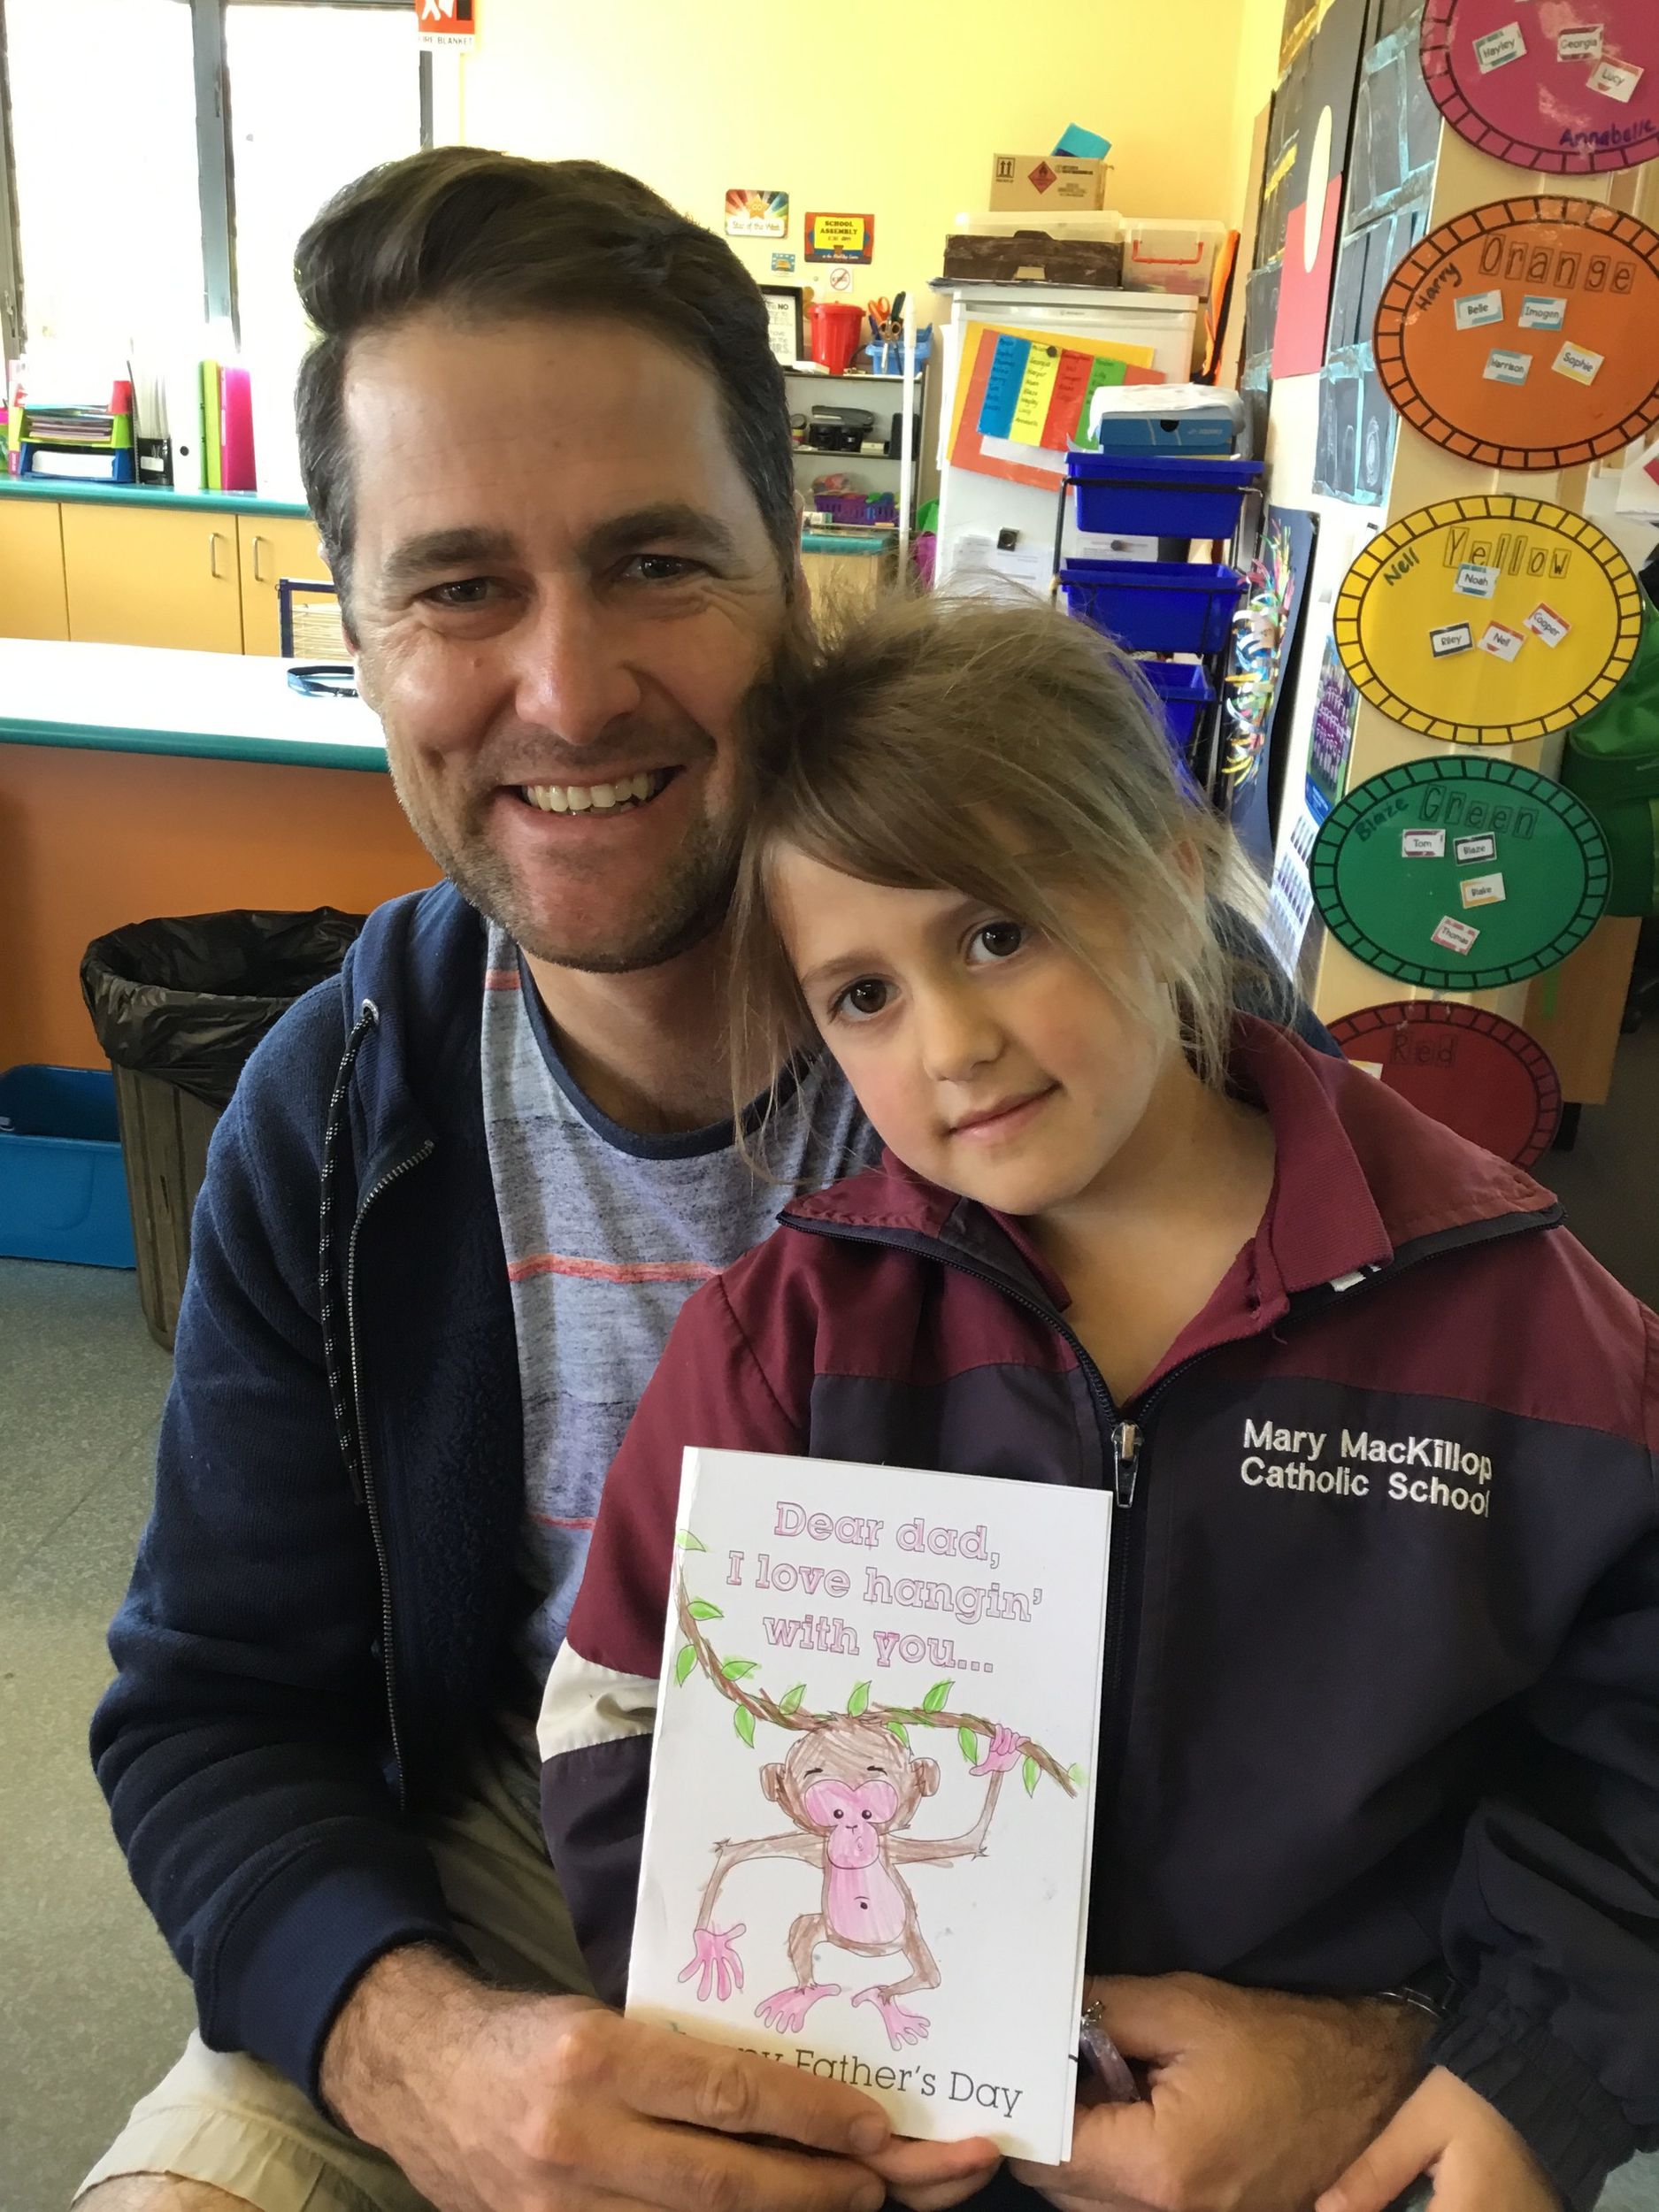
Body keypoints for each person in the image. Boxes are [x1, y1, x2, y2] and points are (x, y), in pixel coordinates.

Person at [81, 147, 1420, 2212]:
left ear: (791, 569)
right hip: (516, 1914)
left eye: (653, 562)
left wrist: (1388, 2025)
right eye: (457, 587)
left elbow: (1488, 1606)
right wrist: (408, 2044)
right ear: (356, 634)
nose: (565, 691)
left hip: (1113, 1952)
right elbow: (209, 1706)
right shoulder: (340, 1101)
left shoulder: (1133, 1031)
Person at [539, 594, 1659, 2212]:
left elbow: (1636, 1759)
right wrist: (787, 2076)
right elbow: (624, 1722)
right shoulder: (793, 1342)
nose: (953, 1044)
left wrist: (1525, 2070)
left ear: (1173, 872)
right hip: (892, 2148)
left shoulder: (1523, 1333)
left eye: (999, 934)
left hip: (1344, 2157)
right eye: (863, 996)